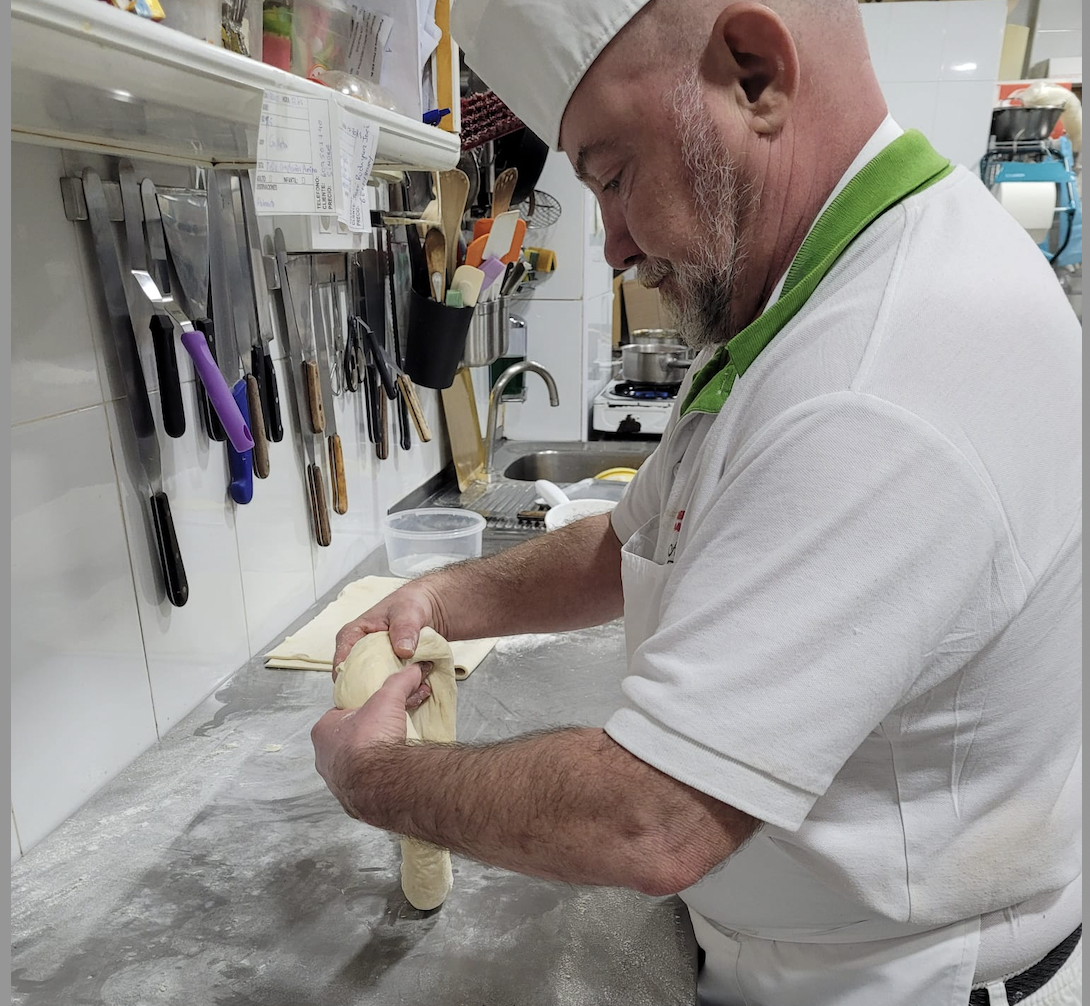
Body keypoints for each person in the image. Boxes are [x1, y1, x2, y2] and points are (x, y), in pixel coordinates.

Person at [311, 0, 1083, 1002]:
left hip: (884, 982)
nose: (613, 246)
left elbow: (650, 822)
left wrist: (375, 778)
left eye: (612, 176)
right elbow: (636, 540)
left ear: (753, 73)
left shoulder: (879, 375)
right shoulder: (805, 295)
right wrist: (445, 598)